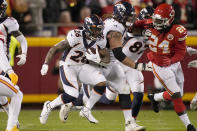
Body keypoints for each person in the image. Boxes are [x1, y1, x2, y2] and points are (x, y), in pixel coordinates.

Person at [79, 1, 152, 131]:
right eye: (129, 16)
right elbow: (119, 54)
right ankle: (81, 97)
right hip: (101, 62)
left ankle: (130, 123)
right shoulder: (116, 29)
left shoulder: (114, 22)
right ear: (121, 15)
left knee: (123, 89)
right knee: (108, 92)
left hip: (105, 60)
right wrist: (138, 66)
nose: (132, 18)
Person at [39, 14, 109, 124]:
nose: (97, 32)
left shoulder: (101, 39)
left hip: (83, 66)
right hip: (68, 65)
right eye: (95, 29)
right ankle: (49, 105)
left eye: (99, 29)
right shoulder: (76, 35)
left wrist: (97, 60)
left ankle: (86, 110)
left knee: (101, 82)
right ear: (87, 27)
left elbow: (106, 59)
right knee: (72, 94)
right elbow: (55, 48)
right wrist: (46, 63)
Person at [138, 3, 196, 131]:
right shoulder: (149, 23)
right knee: (176, 95)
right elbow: (134, 26)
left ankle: (155, 97)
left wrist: (171, 60)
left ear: (169, 20)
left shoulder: (177, 31)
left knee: (179, 93)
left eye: (160, 20)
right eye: (155, 19)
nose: (156, 23)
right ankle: (189, 126)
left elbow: (180, 52)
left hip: (172, 62)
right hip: (159, 65)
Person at [0, 24, 23, 131]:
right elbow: (0, 54)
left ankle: (13, 121)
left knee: (2, 97)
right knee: (17, 94)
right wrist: (10, 71)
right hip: (5, 69)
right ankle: (11, 127)